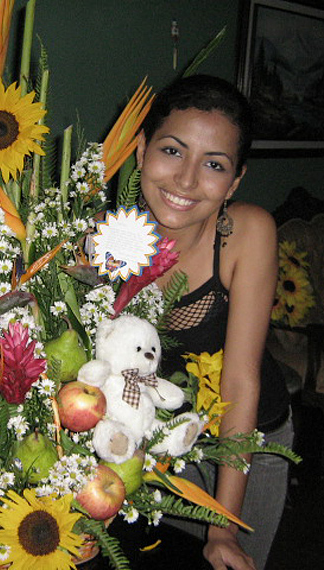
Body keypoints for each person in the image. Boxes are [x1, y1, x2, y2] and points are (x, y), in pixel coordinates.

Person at [135, 74, 293, 570]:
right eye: (173, 151)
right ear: (140, 152)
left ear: (236, 181)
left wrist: (222, 524)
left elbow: (240, 381)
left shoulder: (247, 233)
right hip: (159, 442)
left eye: (214, 164)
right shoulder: (105, 237)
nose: (185, 181)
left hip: (248, 445)